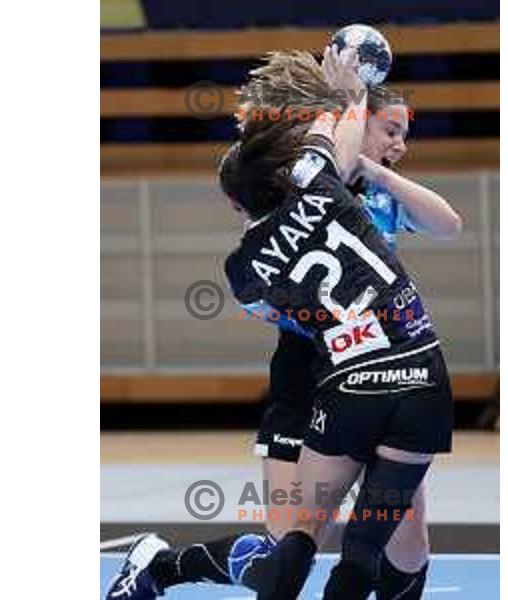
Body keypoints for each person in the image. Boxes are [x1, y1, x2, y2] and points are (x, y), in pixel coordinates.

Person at [105, 47, 460, 600]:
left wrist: (364, 164)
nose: (399, 144)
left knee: (405, 543)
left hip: (377, 366)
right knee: (291, 539)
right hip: (320, 368)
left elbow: (449, 223)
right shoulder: (316, 184)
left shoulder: (374, 193)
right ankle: (162, 566)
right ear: (353, 125)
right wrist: (339, 93)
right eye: (389, 129)